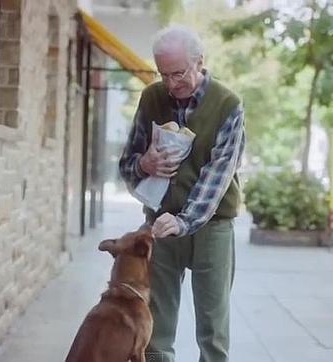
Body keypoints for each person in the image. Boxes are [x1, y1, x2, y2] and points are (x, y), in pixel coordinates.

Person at [118, 24, 245, 362]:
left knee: (212, 326)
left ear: (199, 62)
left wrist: (185, 220)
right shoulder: (152, 97)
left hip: (211, 226)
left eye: (178, 74)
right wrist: (144, 164)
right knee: (156, 326)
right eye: (164, 75)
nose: (171, 84)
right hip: (159, 222)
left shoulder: (227, 104)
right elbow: (127, 164)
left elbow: (216, 177)